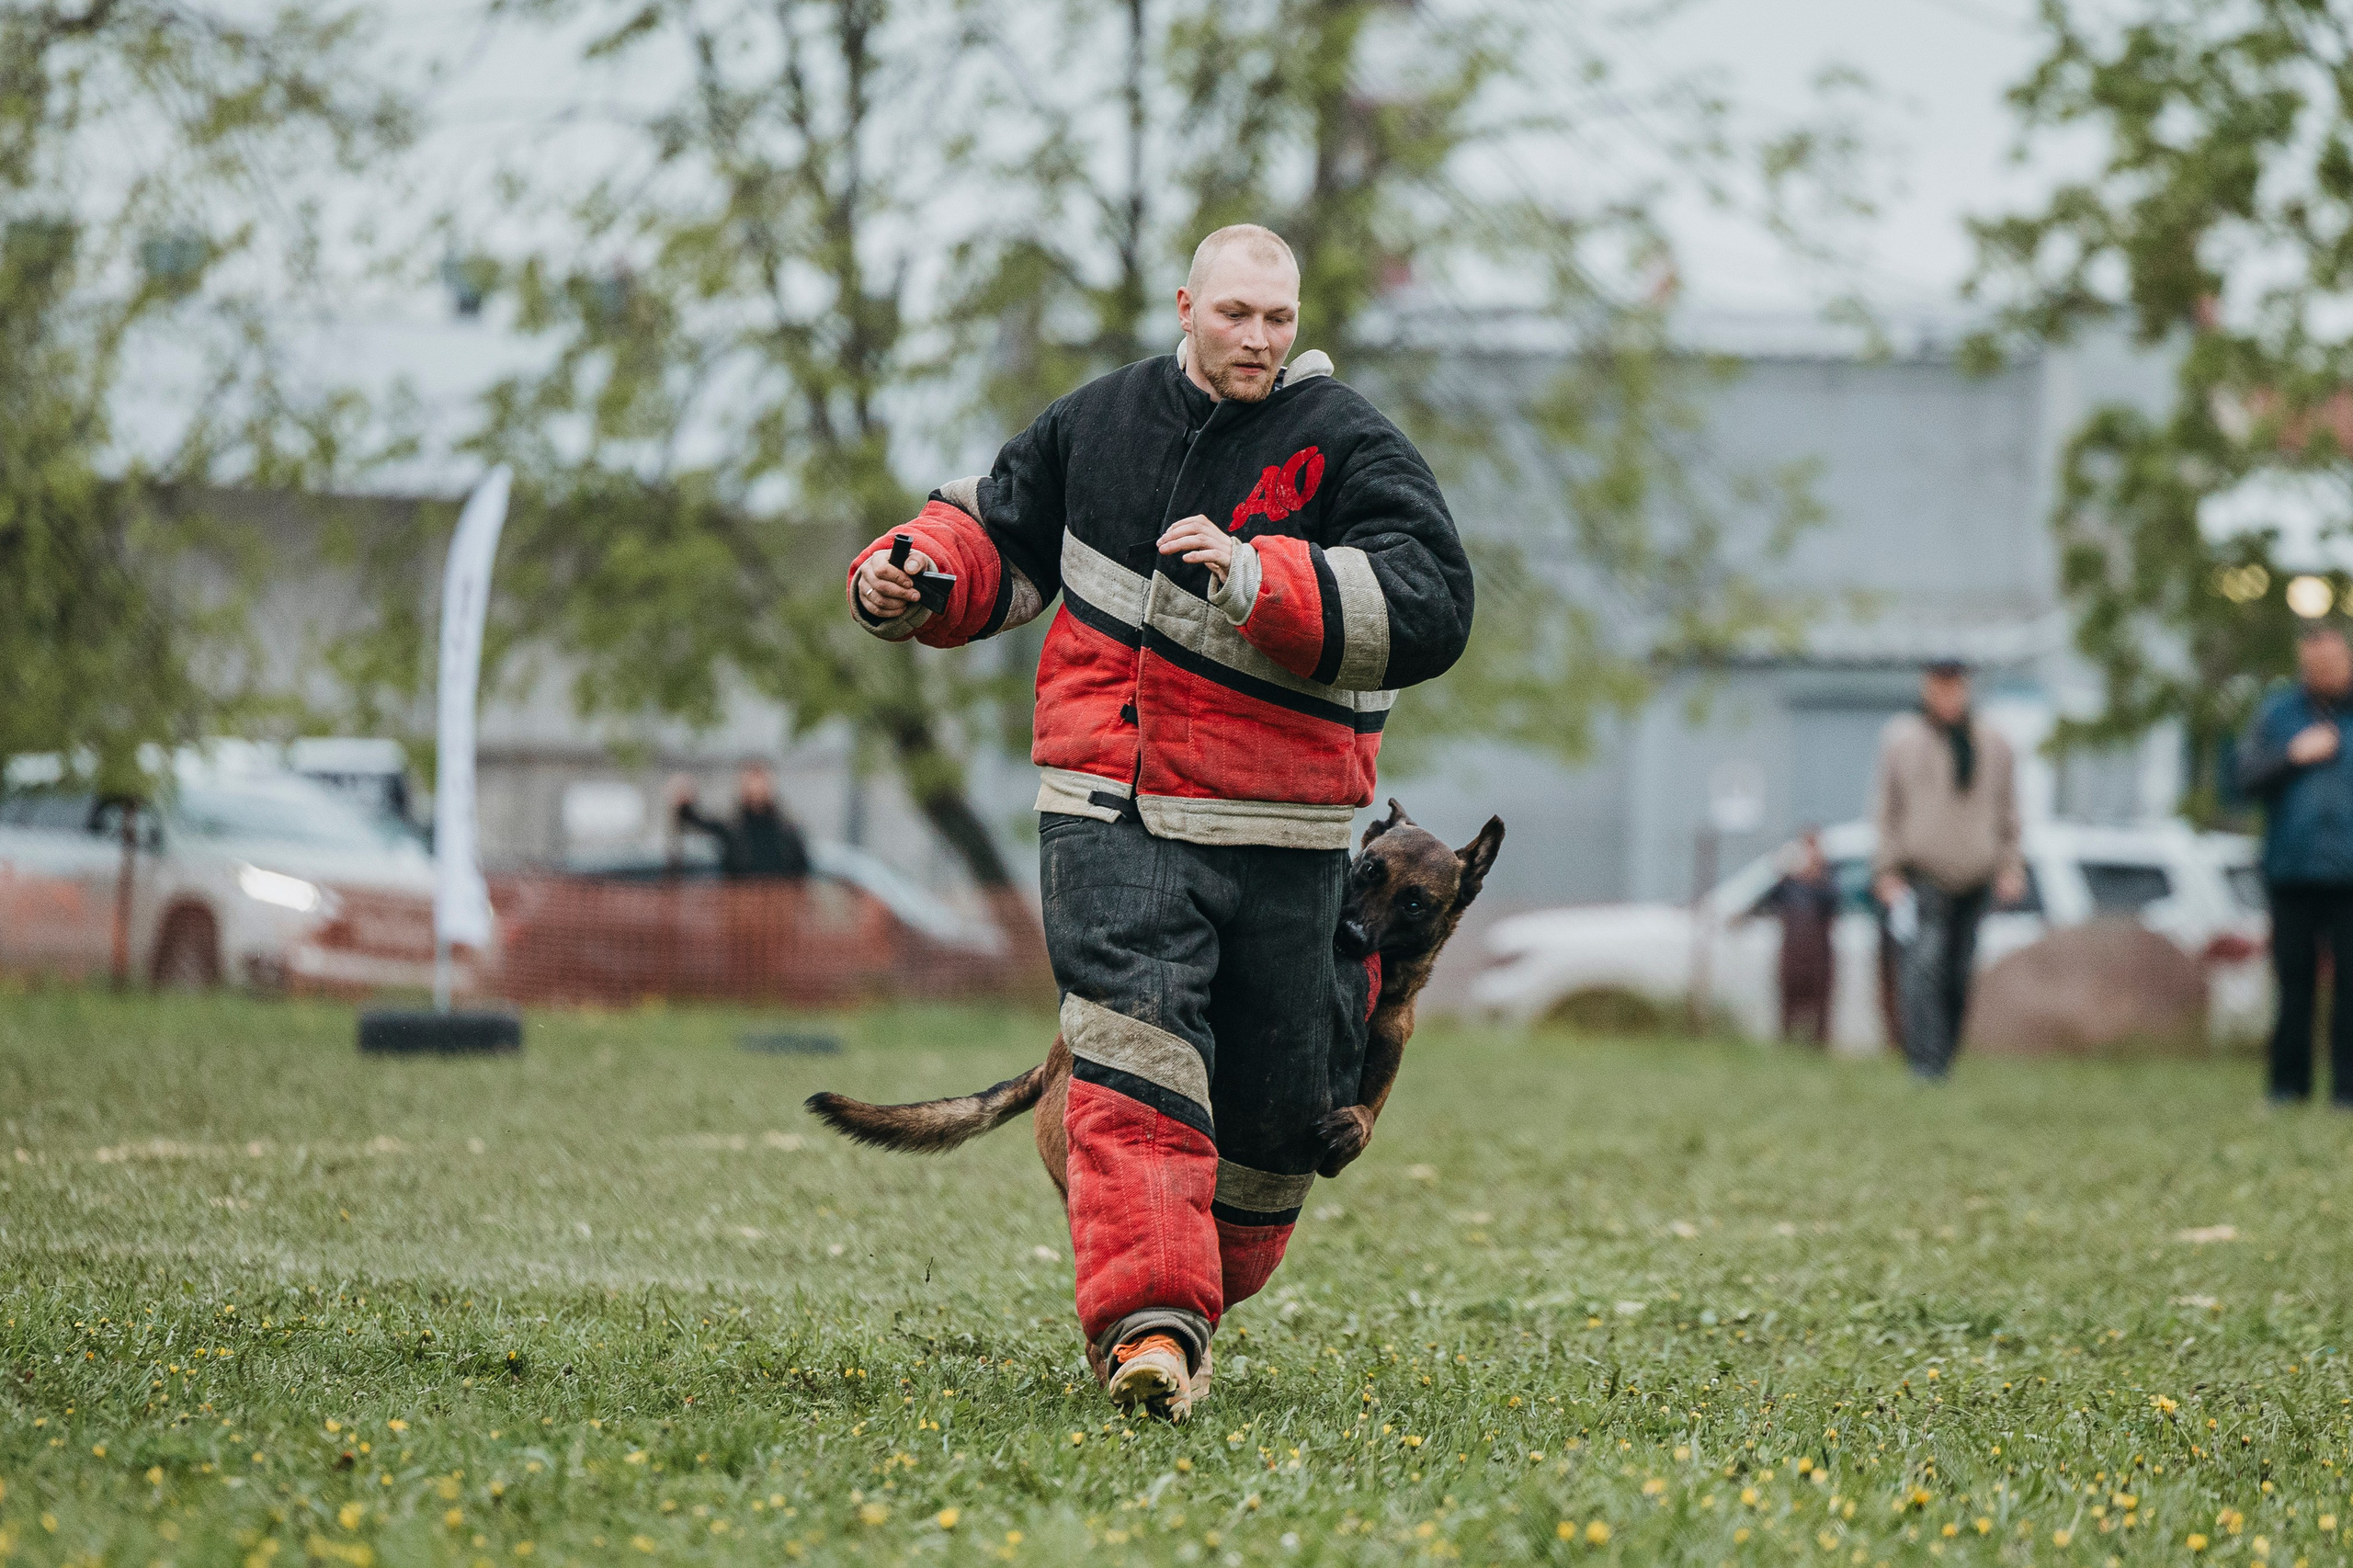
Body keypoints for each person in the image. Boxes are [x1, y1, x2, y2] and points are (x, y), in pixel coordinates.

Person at [847, 223, 1472, 1419]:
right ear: (1188, 306)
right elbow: (996, 533)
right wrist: (909, 574)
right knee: (1132, 1060)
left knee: (1282, 1122)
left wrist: (1261, 581)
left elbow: (1436, 603)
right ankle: (1149, 1328)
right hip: (1111, 809)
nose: (1256, 336)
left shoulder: (1348, 446)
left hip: (1285, 833)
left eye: (1277, 319)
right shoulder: (1100, 423)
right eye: (1235, 312)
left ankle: (1191, 1293)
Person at [1869, 659, 2023, 1079]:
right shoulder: (1903, 742)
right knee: (1923, 967)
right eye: (1939, 687)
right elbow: (1887, 810)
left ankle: (1945, 1059)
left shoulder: (1994, 745)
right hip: (1923, 874)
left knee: (1958, 972)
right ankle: (1924, 1062)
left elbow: (2009, 811)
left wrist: (2011, 865)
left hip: (1977, 876)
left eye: (1955, 688)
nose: (1948, 697)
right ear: (1925, 689)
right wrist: (1886, 868)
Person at [2235, 619, 2353, 1108]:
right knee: (2293, 983)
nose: (2322, 670)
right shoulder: (2278, 714)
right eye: (2313, 663)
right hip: (2292, 870)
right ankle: (2288, 1087)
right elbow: (2244, 777)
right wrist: (2292, 756)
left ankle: (2348, 1091)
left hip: (2350, 873)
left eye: (2331, 661)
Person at [1751, 827, 1839, 1046]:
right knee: (1789, 1003)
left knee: (1820, 1006)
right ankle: (1787, 1044)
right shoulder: (1787, 886)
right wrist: (1781, 870)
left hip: (1819, 955)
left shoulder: (1827, 885)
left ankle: (1819, 1046)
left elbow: (1834, 903)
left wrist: (1818, 873)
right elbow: (1762, 902)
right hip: (1792, 953)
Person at [666, 762, 811, 879]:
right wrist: (684, 802)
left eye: (761, 784)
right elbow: (695, 820)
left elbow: (802, 869)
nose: (757, 790)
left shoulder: (788, 829)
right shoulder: (732, 827)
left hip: (781, 903)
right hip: (739, 902)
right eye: (751, 784)